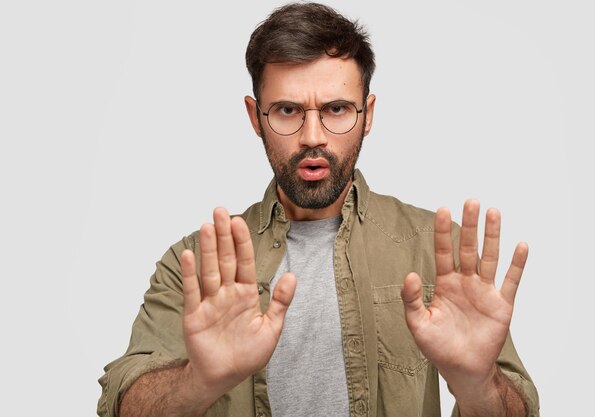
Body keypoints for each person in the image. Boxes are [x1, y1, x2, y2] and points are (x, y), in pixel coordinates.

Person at [97, 3, 539, 417]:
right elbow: (123, 399)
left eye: (337, 109)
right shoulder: (195, 262)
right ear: (255, 117)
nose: (313, 136)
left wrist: (477, 383)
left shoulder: (435, 251)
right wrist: (199, 381)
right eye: (287, 110)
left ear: (368, 115)